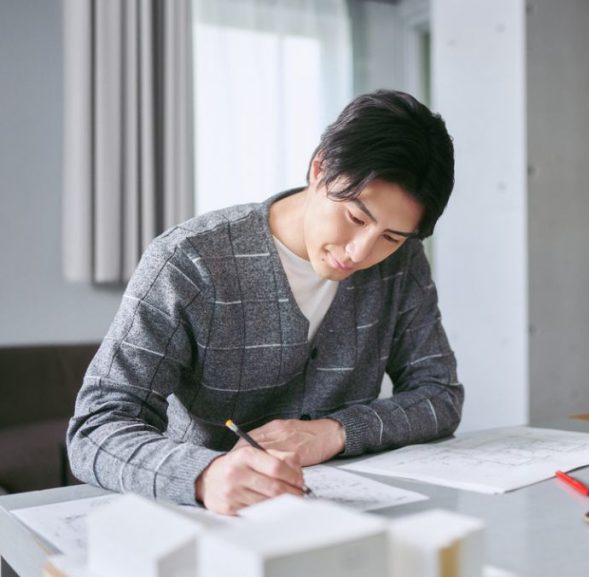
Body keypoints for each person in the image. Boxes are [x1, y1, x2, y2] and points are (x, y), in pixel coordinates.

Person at [67, 90, 463, 515]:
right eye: (355, 218)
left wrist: (335, 432)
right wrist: (204, 476)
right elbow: (96, 427)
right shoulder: (191, 260)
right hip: (211, 520)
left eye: (390, 237)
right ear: (320, 168)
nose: (360, 252)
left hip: (348, 514)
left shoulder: (401, 263)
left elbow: (439, 394)